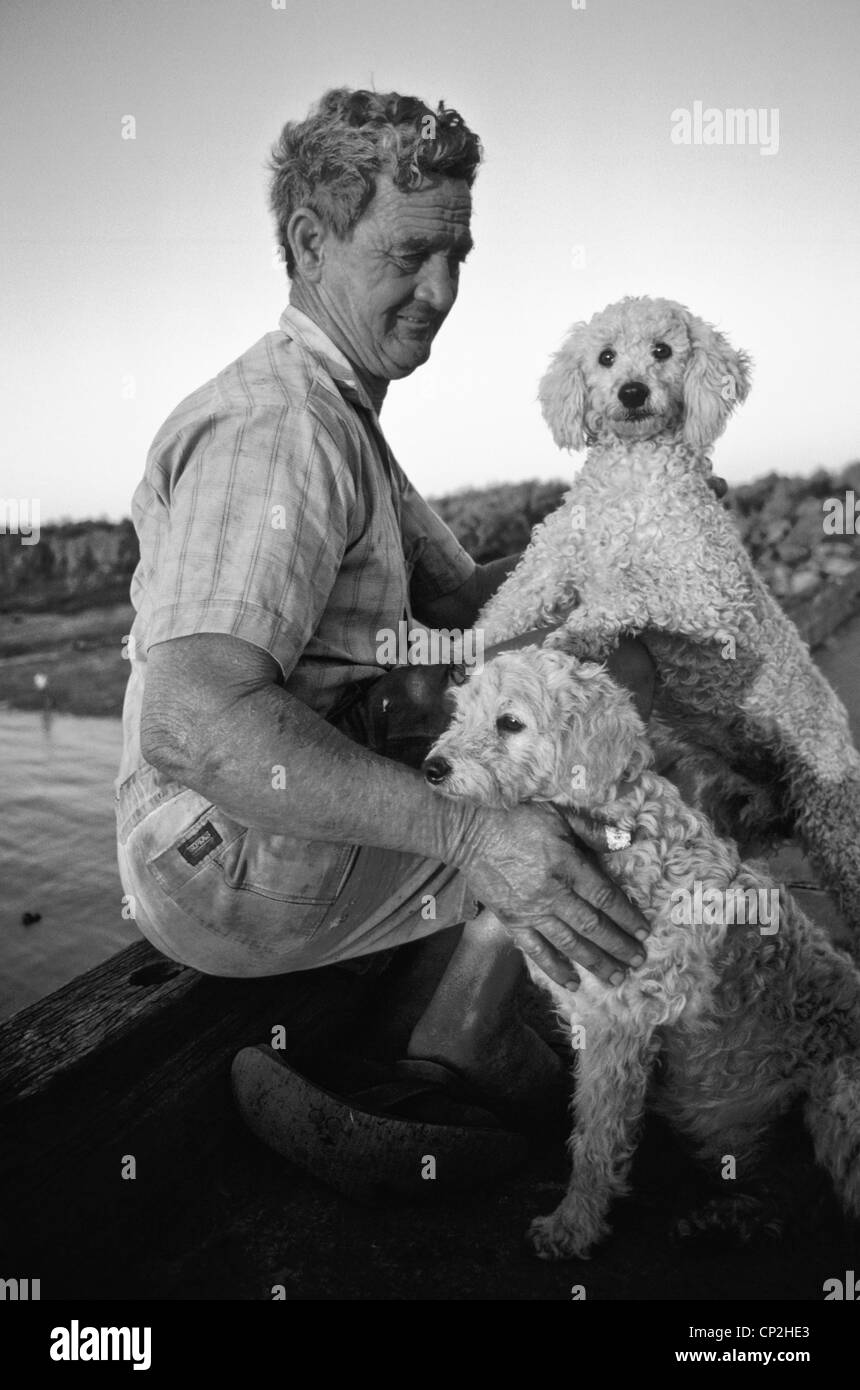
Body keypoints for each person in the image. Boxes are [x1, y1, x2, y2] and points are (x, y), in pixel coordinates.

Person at [115, 87, 655, 1184]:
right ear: (311, 242)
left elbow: (458, 615)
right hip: (222, 857)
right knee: (593, 749)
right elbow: (191, 717)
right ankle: (459, 1040)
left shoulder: (341, 412)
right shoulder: (277, 429)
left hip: (248, 833)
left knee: (596, 653)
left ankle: (419, 1023)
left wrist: (612, 531)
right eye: (412, 251)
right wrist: (472, 838)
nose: (443, 289)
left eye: (458, 251)